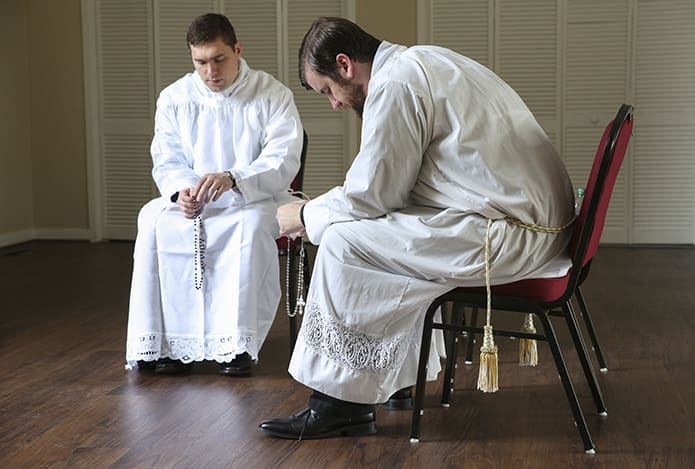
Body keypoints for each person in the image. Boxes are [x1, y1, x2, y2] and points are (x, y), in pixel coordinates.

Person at [260, 17, 575, 439]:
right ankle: (398, 381)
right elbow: (394, 188)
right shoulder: (422, 60)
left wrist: (303, 215)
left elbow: (374, 194)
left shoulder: (395, 85)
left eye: (327, 90)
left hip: (511, 234)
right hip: (532, 223)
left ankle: (338, 404)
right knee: (380, 234)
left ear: (344, 65)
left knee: (342, 242)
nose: (333, 103)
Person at [125, 13, 303, 376]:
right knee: (153, 220)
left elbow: (283, 157)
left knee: (249, 229)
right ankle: (165, 345)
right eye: (201, 62)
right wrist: (181, 192)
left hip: (254, 197)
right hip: (196, 202)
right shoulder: (174, 97)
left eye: (219, 59)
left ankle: (237, 346)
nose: (211, 72)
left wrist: (234, 177)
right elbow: (167, 156)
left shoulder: (272, 94)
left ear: (237, 50)